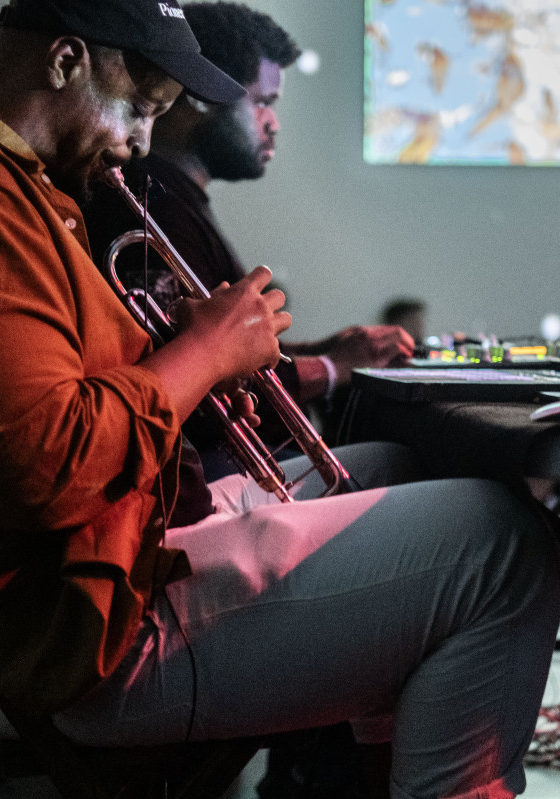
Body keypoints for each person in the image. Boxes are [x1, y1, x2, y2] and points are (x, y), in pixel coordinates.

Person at [0, 2, 560, 799]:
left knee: (397, 467)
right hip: (83, 638)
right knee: (502, 544)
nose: (141, 143)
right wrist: (200, 355)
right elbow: (42, 470)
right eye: (141, 109)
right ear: (67, 61)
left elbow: (35, 412)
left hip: (102, 570)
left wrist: (171, 354)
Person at [80, 1, 413, 464]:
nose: (273, 123)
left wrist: (316, 349)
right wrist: (333, 369)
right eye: (262, 103)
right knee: (425, 474)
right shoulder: (147, 203)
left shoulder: (175, 198)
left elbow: (209, 342)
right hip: (205, 489)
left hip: (227, 476)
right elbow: (182, 372)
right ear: (202, 92)